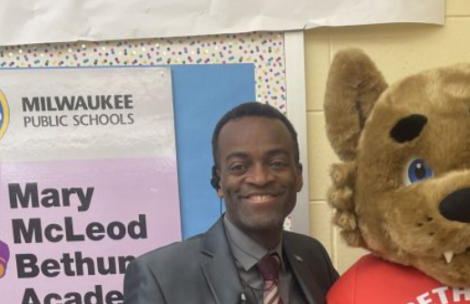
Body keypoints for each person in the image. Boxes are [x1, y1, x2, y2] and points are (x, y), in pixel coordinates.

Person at [123, 102, 339, 304]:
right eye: (239, 166)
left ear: (298, 176)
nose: (260, 178)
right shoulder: (159, 276)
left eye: (276, 163)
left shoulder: (313, 257)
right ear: (218, 183)